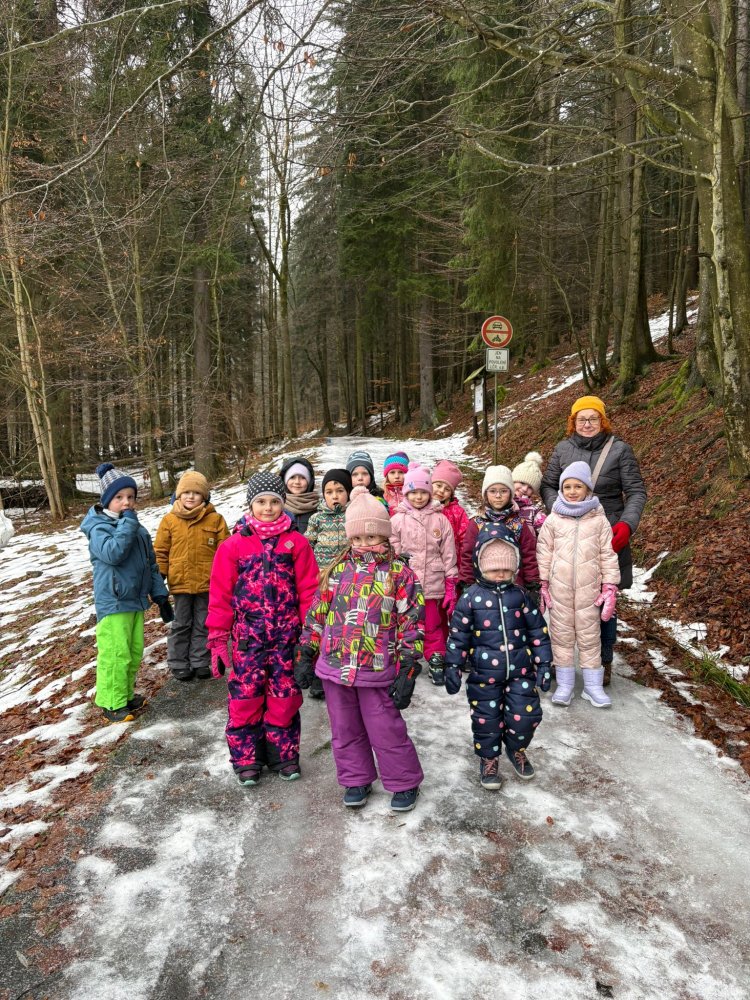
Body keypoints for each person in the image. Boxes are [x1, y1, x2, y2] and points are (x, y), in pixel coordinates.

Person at [294, 485, 425, 811]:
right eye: (358, 538)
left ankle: (404, 781)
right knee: (344, 728)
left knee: (386, 729)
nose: (365, 543)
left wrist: (409, 665)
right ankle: (356, 778)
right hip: (335, 666)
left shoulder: (400, 574)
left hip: (376, 667)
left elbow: (412, 621)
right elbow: (317, 614)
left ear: (385, 535)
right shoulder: (338, 571)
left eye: (372, 536)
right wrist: (307, 650)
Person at [206, 471, 319, 785]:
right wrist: (218, 637)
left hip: (287, 639)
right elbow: (220, 595)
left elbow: (309, 590)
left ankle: (283, 755)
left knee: (285, 697)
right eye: (261, 502)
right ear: (250, 504)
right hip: (248, 641)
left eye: (274, 502)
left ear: (283, 504)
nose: (268, 508)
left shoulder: (296, 543)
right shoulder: (234, 546)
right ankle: (247, 759)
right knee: (245, 698)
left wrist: (311, 633)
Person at [540, 395, 646, 685]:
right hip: (567, 534)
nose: (587, 424)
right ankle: (562, 660)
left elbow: (636, 491)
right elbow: (548, 485)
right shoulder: (563, 449)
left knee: (604, 600)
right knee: (565, 598)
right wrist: (557, 509)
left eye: (593, 418)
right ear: (573, 422)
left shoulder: (620, 450)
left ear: (603, 420)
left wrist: (626, 524)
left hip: (607, 534)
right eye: (581, 419)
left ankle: (603, 660)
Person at [444, 524, 551, 787]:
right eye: (493, 569)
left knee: (526, 716)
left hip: (521, 672)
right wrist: (453, 666)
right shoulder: (470, 598)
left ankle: (516, 748)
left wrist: (544, 663)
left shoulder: (521, 596)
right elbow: (458, 636)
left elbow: (538, 631)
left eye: (506, 568)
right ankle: (489, 759)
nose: (500, 574)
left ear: (514, 568)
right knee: (486, 721)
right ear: (480, 566)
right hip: (483, 676)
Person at [81, 462, 173, 723]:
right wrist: (128, 524)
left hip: (135, 600)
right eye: (119, 497)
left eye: (130, 497)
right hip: (114, 601)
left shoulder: (135, 528)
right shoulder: (99, 527)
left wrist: (160, 595)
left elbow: (150, 564)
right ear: (107, 501)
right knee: (115, 653)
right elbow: (113, 553)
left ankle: (125, 695)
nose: (126, 503)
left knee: (133, 652)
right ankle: (111, 702)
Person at [536, 462, 621, 708]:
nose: (572, 491)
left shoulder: (599, 520)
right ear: (561, 489)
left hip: (589, 591)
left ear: (588, 489)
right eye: (567, 486)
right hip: (559, 590)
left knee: (590, 638)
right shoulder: (554, 519)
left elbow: (608, 554)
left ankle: (593, 687)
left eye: (578, 486)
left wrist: (610, 586)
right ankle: (565, 684)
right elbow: (544, 551)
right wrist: (543, 582)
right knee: (561, 637)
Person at [154, 471, 229, 682]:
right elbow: (160, 551)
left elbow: (225, 550)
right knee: (181, 623)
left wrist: (226, 576)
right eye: (186, 492)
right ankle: (178, 663)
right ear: (178, 495)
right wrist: (160, 575)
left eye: (196, 493)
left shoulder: (215, 519)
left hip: (207, 583)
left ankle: (199, 661)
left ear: (204, 496)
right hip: (181, 583)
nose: (190, 496)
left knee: (203, 623)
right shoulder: (169, 520)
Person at [390, 463, 458, 686]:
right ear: (406, 493)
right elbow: (392, 548)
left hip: (432, 583)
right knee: (405, 623)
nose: (418, 497)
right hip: (405, 585)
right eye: (413, 492)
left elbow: (448, 552)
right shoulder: (397, 520)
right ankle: (404, 657)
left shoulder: (440, 519)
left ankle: (436, 654)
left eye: (423, 492)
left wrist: (451, 581)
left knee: (432, 623)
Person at [459, 465, 540, 599]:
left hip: (514, 588)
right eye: (493, 491)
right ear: (485, 494)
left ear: (511, 493)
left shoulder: (519, 524)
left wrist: (532, 583)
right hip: (482, 590)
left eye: (503, 491)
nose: (498, 496)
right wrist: (466, 582)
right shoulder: (477, 523)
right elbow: (468, 555)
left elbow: (528, 555)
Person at [305, 468, 352, 569]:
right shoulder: (316, 518)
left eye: (340, 491)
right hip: (322, 568)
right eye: (329, 492)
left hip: (347, 569)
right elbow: (308, 545)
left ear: (348, 493)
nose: (334, 496)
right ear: (324, 495)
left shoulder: (352, 515)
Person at [432, 459, 470, 575]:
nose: (441, 491)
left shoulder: (457, 512)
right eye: (438, 485)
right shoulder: (421, 507)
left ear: (451, 494)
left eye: (447, 489)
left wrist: (463, 566)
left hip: (451, 563)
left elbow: (465, 538)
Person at [280, 456, 318, 534]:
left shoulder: (319, 509)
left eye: (302, 477)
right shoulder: (278, 508)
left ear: (309, 481)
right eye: (292, 477)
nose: (297, 482)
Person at [512, 452, 547, 537]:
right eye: (522, 483)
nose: (525, 489)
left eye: (530, 487)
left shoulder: (534, 512)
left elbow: (547, 532)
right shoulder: (499, 504)